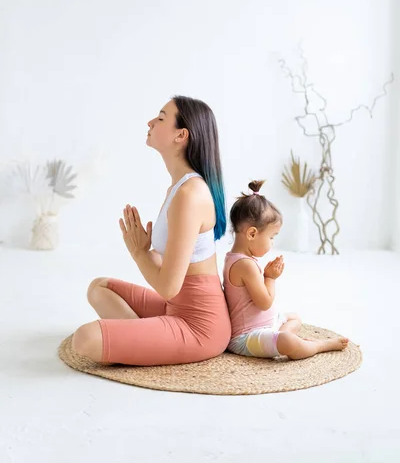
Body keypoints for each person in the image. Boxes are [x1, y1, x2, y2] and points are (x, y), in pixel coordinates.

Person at [72, 96, 231, 365]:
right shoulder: (179, 187)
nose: (150, 122)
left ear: (181, 135)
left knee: (84, 339)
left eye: (160, 118)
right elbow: (169, 272)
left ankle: (146, 344)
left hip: (200, 327)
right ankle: (147, 342)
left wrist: (139, 252)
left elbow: (168, 287)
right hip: (174, 308)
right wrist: (146, 253)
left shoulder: (190, 194)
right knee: (98, 288)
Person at [223, 180, 349, 360]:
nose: (272, 243)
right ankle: (317, 345)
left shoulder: (237, 258)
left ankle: (286, 338)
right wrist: (270, 278)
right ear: (252, 234)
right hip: (247, 337)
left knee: (294, 318)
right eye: (272, 237)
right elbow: (264, 302)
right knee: (287, 342)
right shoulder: (245, 265)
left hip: (267, 326)